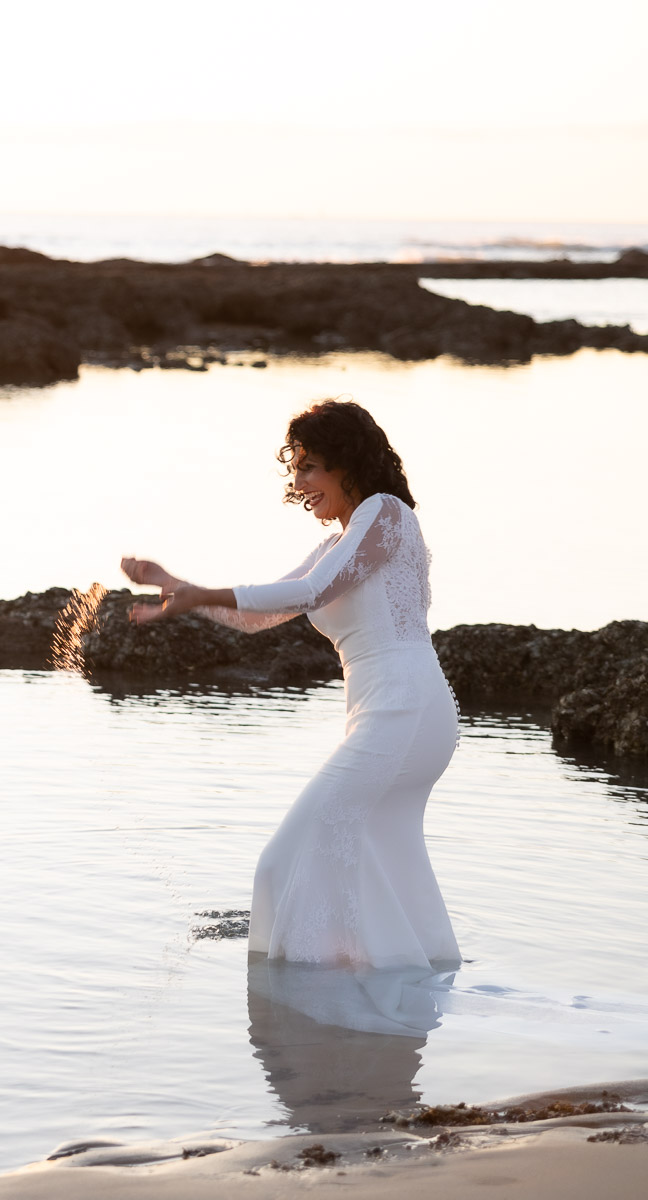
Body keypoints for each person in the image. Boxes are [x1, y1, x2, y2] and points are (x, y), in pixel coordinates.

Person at [120, 400, 459, 970]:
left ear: (348, 462)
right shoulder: (340, 543)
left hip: (406, 708)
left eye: (310, 467)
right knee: (380, 855)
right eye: (295, 469)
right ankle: (407, 996)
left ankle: (317, 1008)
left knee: (287, 861)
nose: (299, 483)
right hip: (390, 712)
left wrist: (201, 593)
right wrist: (184, 590)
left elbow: (310, 594)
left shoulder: (386, 513)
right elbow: (259, 615)